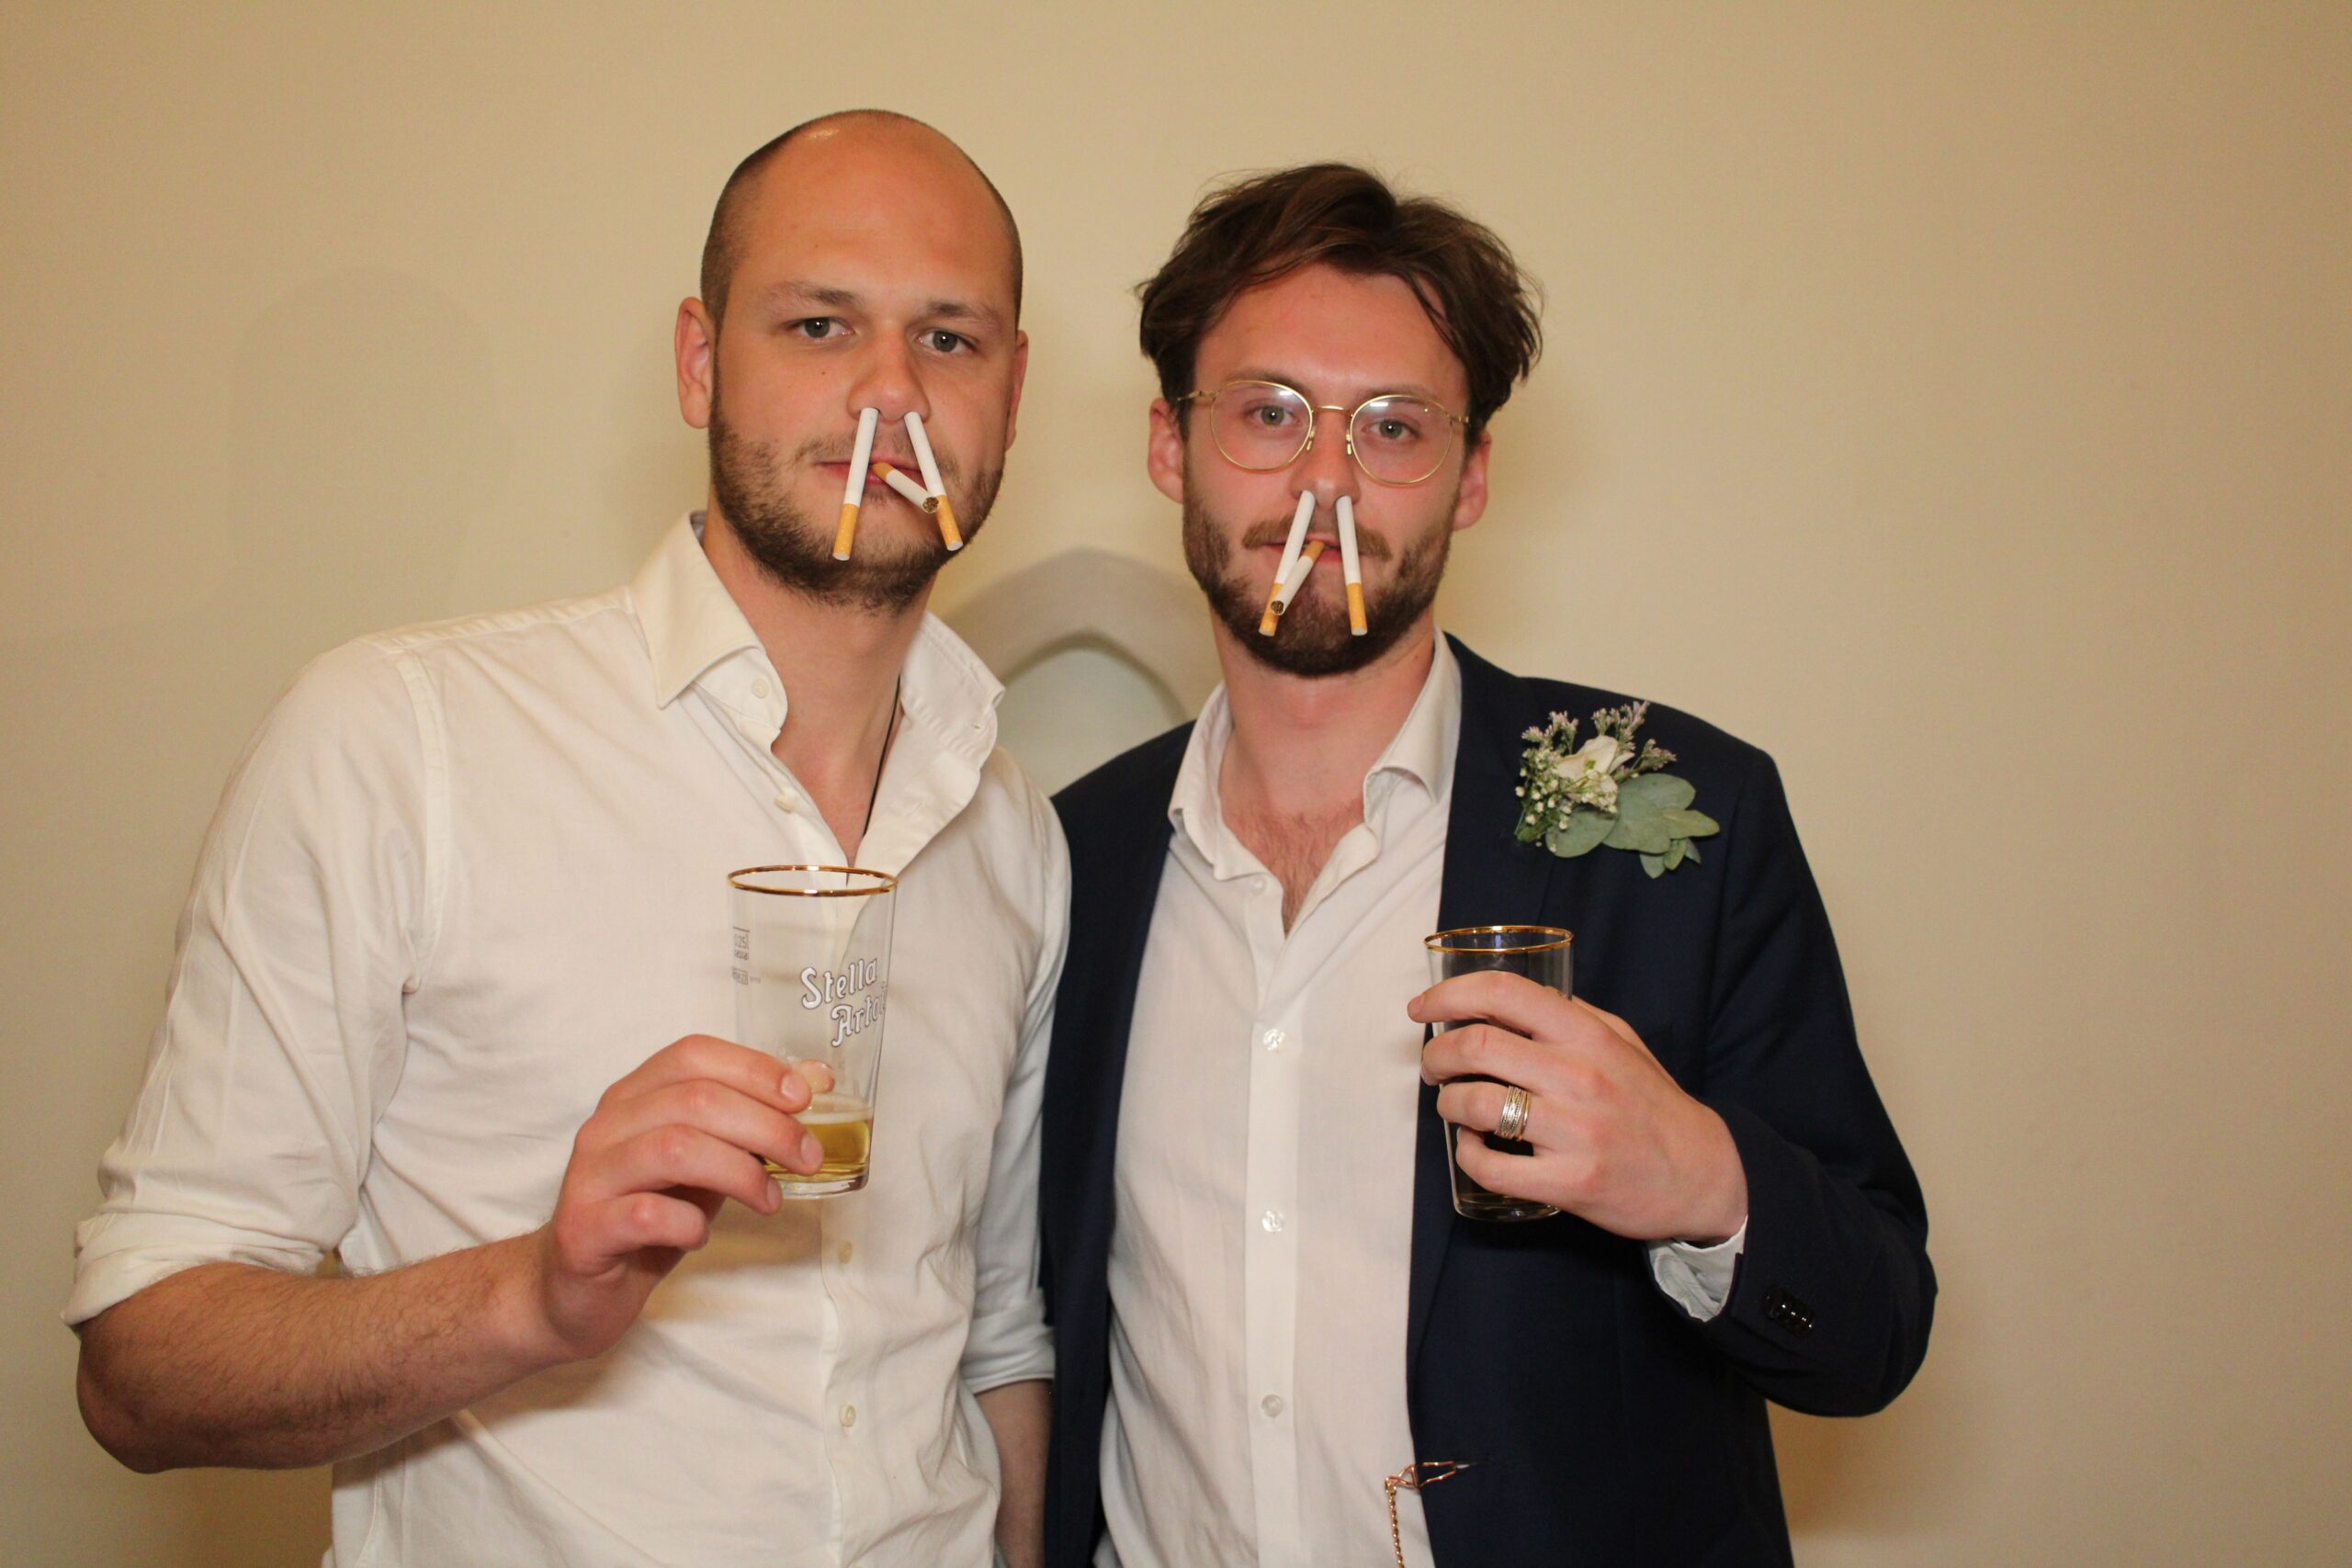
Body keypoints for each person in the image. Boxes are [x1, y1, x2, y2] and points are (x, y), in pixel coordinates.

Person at [71, 111, 1063, 1568]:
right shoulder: (399, 740)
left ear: (1013, 393)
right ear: (700, 362)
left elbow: (990, 1338)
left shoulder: (1012, 826)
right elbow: (141, 1365)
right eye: (818, 324)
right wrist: (535, 1294)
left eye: (949, 340)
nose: (890, 394)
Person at [1038, 164, 1933, 1567]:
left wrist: (1704, 1180)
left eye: (1393, 427)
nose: (1325, 478)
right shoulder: (1067, 859)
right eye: (1268, 413)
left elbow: (1874, 1334)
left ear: (1471, 479)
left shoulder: (1690, 817)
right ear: (1171, 444)